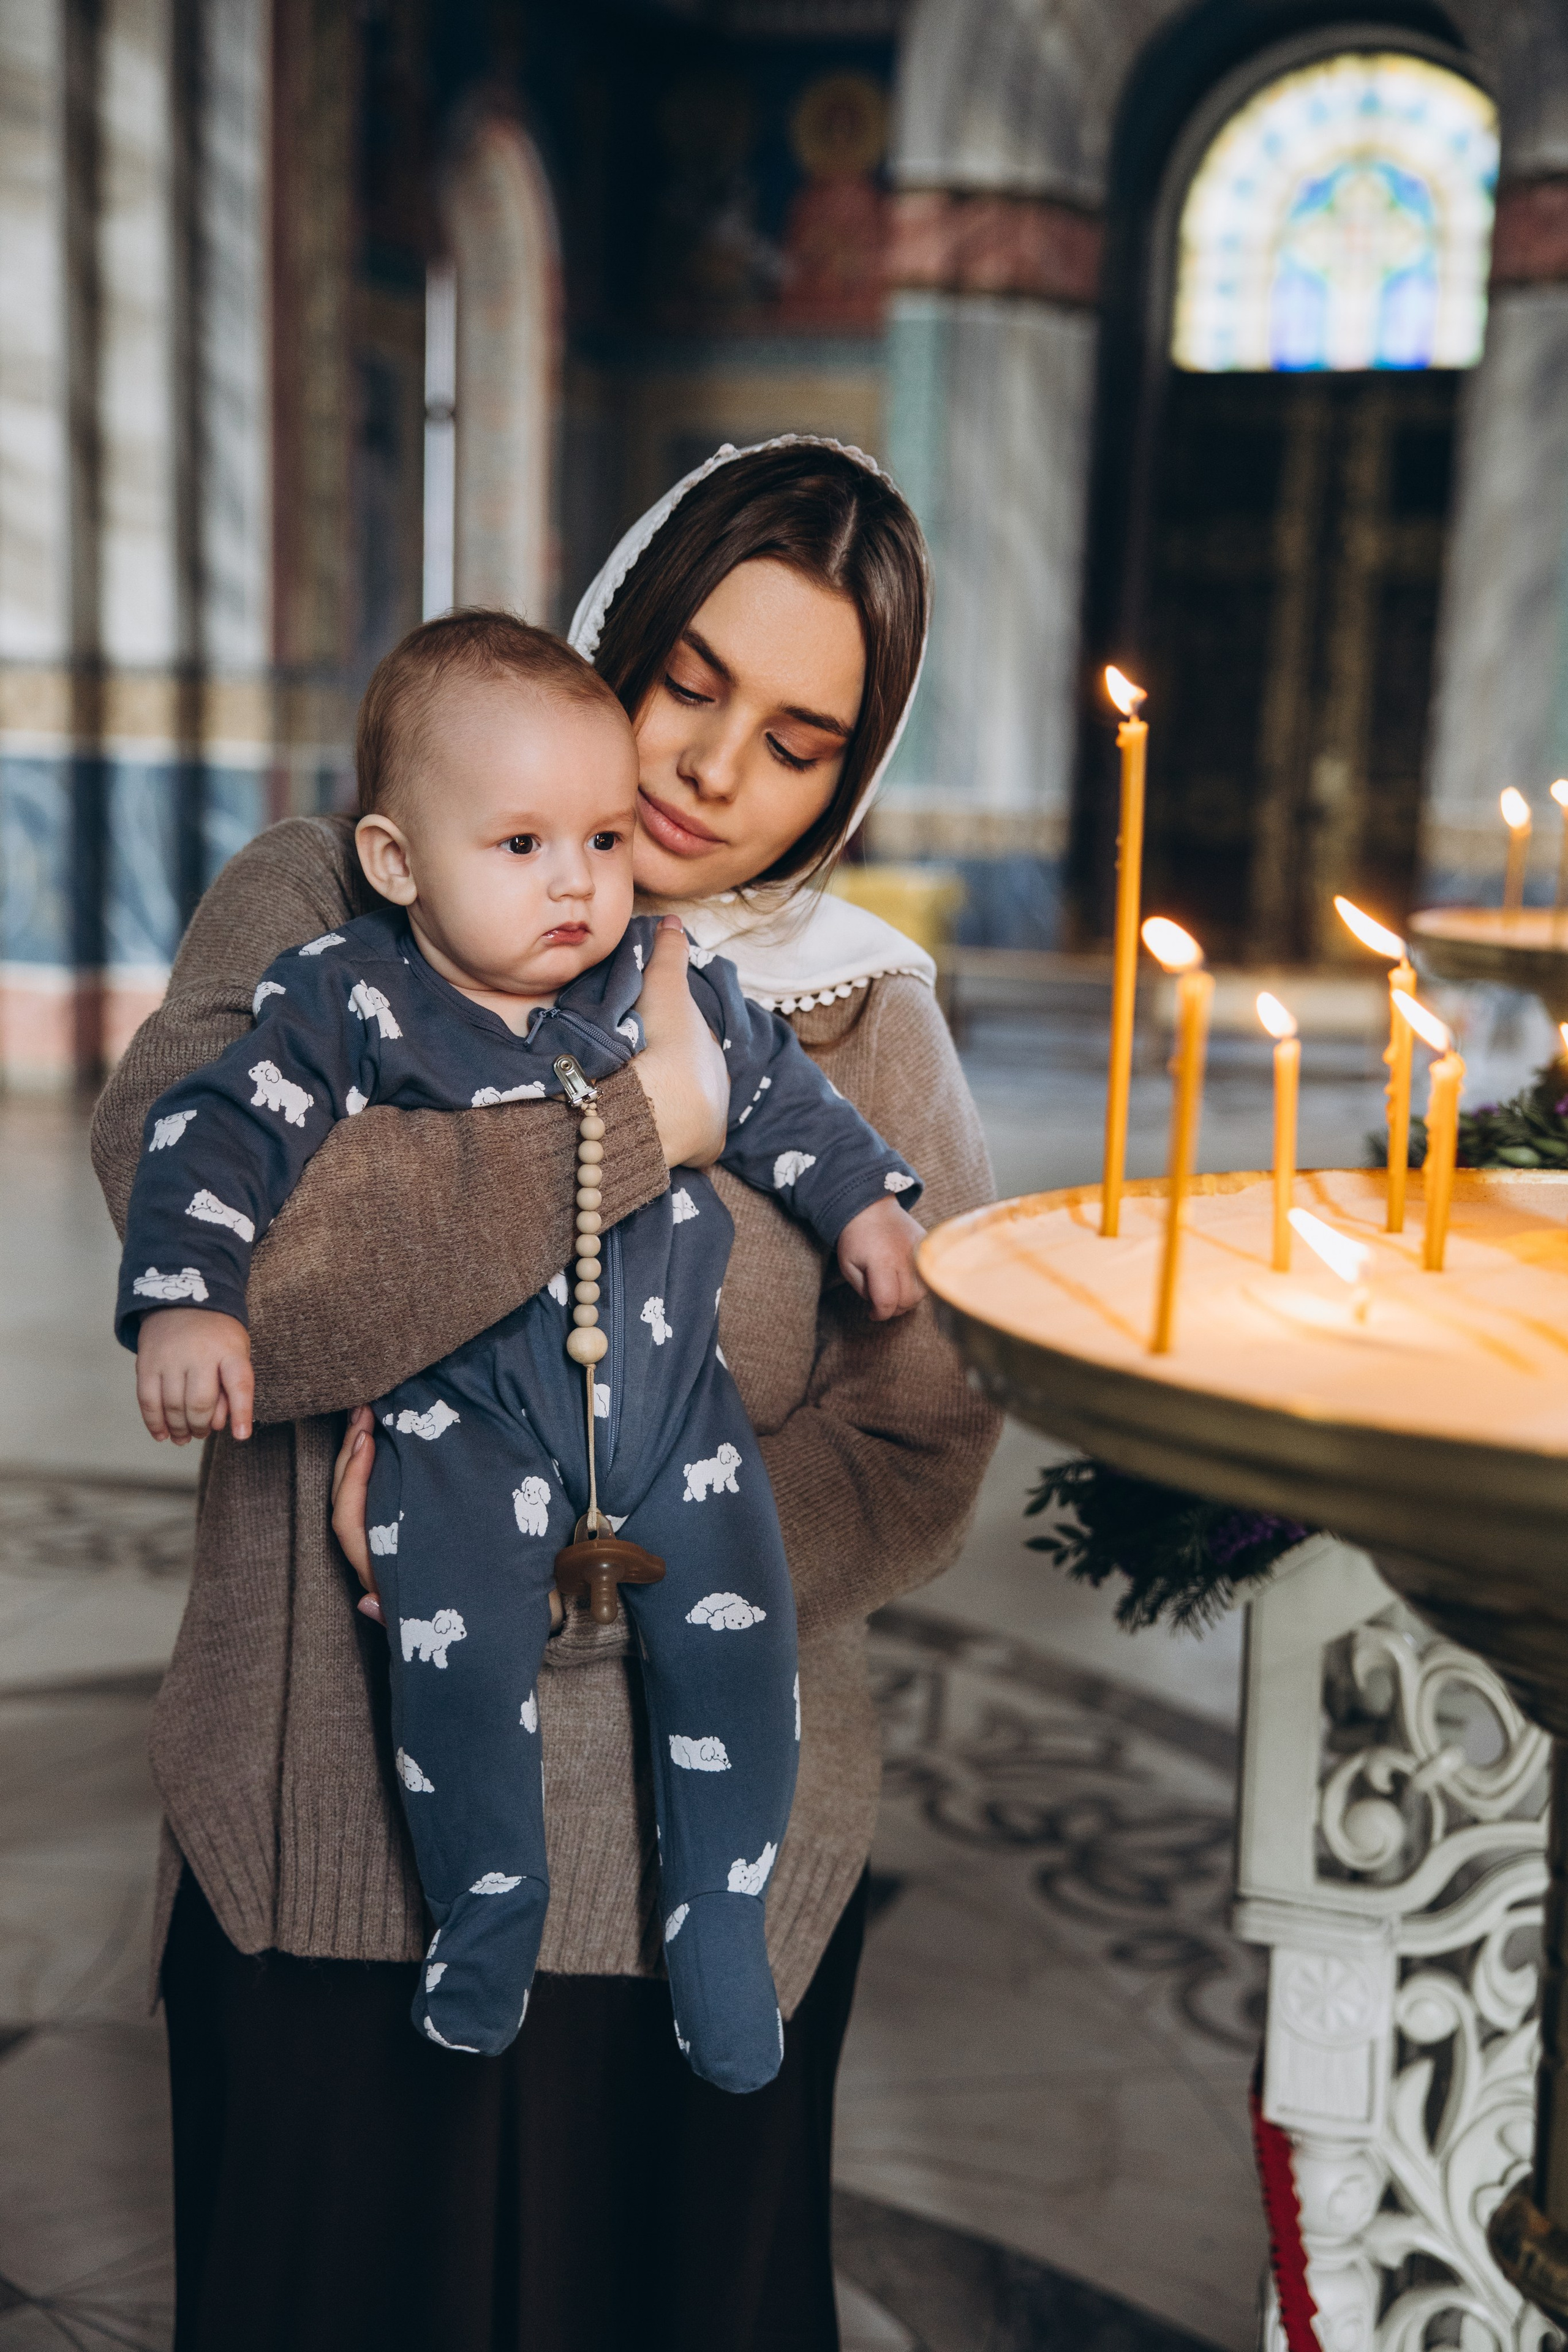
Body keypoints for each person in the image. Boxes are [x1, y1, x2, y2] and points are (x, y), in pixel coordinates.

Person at [91, 435, 1001, 2351]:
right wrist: (645, 1122)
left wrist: (608, 1569)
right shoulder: (328, 905)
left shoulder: (862, 1011)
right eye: (687, 681)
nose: (710, 771)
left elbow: (916, 1435)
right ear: (616, 630)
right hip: (328, 1859)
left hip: (708, 1887)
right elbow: (257, 1281)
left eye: (796, 742)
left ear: (850, 776)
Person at [119, 612, 924, 2089]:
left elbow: (784, 1105)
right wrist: (192, 1299)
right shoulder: (353, 997)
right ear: (395, 860)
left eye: (603, 841)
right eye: (521, 846)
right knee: (457, 1671)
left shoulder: (660, 979)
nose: (577, 882)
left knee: (741, 1661)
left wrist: (865, 1204)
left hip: (676, 1418)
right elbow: (209, 1133)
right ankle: (488, 1904)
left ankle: (721, 1920)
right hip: (461, 1428)